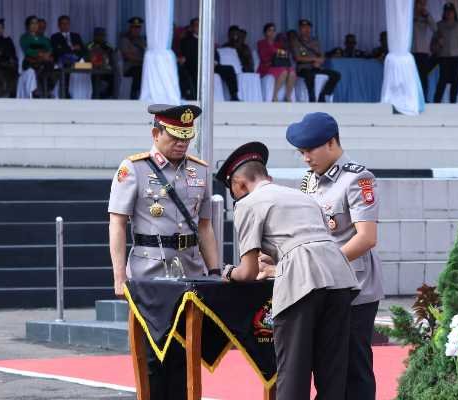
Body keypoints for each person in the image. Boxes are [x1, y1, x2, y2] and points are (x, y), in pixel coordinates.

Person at [216, 141, 359, 400]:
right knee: (333, 374)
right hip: (339, 276)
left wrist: (227, 272)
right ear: (267, 176)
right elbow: (306, 241)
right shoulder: (303, 197)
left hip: (300, 284)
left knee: (294, 373)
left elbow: (248, 272)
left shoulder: (247, 204)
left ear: (239, 184)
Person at [108, 104, 220, 400]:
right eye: (174, 137)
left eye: (187, 137)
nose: (182, 143)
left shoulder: (200, 169)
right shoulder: (134, 168)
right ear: (155, 134)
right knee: (152, 356)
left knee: (186, 352)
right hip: (149, 271)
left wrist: (215, 271)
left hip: (190, 270)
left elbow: (205, 226)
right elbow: (117, 223)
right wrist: (119, 277)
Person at [284, 112, 385, 400]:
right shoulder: (309, 181)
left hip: (355, 288)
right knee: (328, 367)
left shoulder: (358, 178)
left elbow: (366, 237)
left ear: (331, 143)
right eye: (301, 152)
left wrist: (321, 264)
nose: (306, 158)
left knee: (354, 368)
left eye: (310, 150)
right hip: (322, 287)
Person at [180, 18, 240, 101]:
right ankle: (195, 97)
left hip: (210, 66)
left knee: (229, 69)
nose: (199, 27)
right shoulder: (186, 41)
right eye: (197, 25)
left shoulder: (207, 39)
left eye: (201, 25)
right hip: (196, 66)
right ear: (192, 27)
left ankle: (234, 95)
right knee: (193, 70)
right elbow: (187, 56)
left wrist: (215, 62)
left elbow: (215, 54)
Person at [291, 19, 340, 102]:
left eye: (308, 27)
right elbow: (297, 58)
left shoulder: (315, 41)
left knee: (336, 75)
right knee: (310, 75)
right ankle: (312, 97)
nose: (306, 29)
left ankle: (323, 95)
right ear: (300, 29)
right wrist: (314, 59)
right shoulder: (296, 42)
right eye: (304, 27)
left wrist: (319, 61)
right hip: (303, 68)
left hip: (317, 67)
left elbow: (322, 56)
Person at [433, 2, 458, 103]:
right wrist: (437, 45)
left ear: (454, 12)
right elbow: (434, 40)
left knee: (455, 80)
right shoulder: (439, 25)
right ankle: (436, 101)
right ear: (444, 13)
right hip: (444, 56)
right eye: (447, 11)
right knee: (442, 80)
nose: (449, 13)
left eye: (451, 11)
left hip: (457, 56)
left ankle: (453, 102)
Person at [257, 22, 296, 102]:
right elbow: (266, 55)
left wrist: (278, 52)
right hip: (267, 67)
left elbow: (286, 54)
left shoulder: (278, 44)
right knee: (283, 72)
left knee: (292, 72)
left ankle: (288, 96)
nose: (272, 32)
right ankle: (274, 96)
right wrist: (278, 52)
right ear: (265, 33)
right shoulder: (261, 43)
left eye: (273, 30)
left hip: (278, 65)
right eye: (269, 30)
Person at [20, 15, 55, 98]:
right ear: (28, 25)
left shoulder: (43, 38)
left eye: (36, 23)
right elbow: (27, 50)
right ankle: (38, 91)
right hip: (31, 61)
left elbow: (50, 48)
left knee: (50, 67)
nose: (35, 25)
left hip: (44, 61)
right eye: (32, 23)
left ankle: (46, 91)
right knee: (42, 67)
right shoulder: (24, 37)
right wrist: (41, 54)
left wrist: (47, 54)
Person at [412, 0, 437, 100]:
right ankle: (413, 98)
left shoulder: (426, 17)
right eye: (419, 4)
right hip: (412, 52)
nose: (421, 6)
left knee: (423, 77)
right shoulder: (409, 16)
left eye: (423, 4)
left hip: (423, 52)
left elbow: (435, 29)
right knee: (413, 77)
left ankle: (424, 98)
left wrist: (427, 16)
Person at [119, 17, 146, 100]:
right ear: (130, 28)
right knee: (139, 71)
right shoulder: (125, 39)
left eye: (138, 27)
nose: (136, 30)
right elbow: (127, 55)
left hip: (141, 65)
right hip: (129, 66)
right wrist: (142, 60)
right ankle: (134, 95)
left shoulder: (142, 40)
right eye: (134, 27)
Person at [87, 27, 117, 99]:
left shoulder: (108, 46)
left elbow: (115, 53)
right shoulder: (89, 45)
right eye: (98, 35)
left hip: (105, 69)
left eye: (102, 35)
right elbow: (87, 55)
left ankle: (108, 96)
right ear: (94, 36)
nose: (100, 37)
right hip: (92, 70)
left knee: (112, 77)